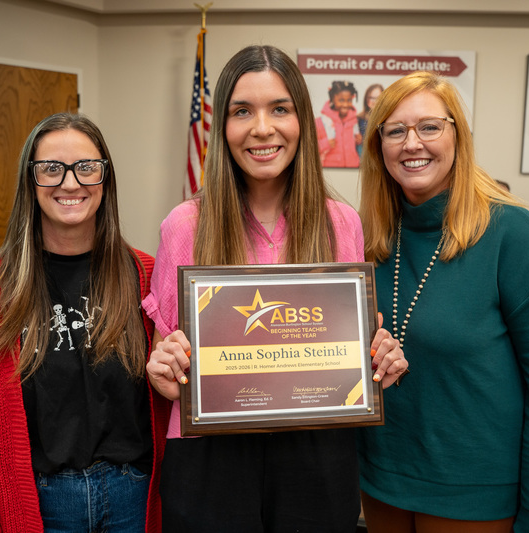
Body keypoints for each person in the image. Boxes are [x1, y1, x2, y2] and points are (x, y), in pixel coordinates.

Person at [143, 45, 407, 532]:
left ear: (302, 120)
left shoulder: (341, 223)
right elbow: (168, 360)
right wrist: (162, 369)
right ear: (222, 127)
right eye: (242, 111)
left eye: (279, 108)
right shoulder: (185, 226)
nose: (261, 128)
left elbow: (353, 346)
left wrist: (377, 358)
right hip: (211, 456)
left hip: (317, 451)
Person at [357, 71, 529, 532]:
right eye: (395, 130)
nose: (411, 143)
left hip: (475, 490)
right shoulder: (367, 238)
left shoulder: (512, 233)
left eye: (430, 127)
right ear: (379, 146)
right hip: (380, 481)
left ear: (458, 134)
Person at [0, 113, 170, 533]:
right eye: (51, 169)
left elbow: (176, 396)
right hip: (41, 502)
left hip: (133, 494)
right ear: (31, 181)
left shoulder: (146, 276)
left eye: (86, 167)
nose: (70, 183)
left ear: (105, 178)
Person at [316, 80, 362, 167]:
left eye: (349, 100)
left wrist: (358, 140)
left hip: (353, 168)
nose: (345, 104)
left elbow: (353, 145)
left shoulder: (354, 120)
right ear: (332, 98)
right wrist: (325, 143)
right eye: (341, 100)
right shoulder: (321, 122)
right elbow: (309, 147)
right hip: (330, 170)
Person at [357, 83, 384, 158]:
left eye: (378, 97)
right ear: (366, 99)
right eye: (371, 97)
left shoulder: (388, 119)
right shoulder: (358, 119)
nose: (374, 101)